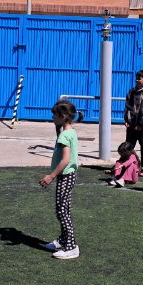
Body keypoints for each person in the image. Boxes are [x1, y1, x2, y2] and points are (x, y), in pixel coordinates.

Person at [40, 100, 82, 259]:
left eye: (54, 115)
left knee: (62, 212)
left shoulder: (64, 135)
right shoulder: (70, 132)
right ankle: (63, 240)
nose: (52, 117)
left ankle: (71, 247)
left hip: (65, 175)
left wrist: (51, 176)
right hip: (69, 175)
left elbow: (65, 160)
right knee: (64, 209)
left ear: (63, 116)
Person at [124, 69, 143, 177]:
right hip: (132, 125)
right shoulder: (131, 92)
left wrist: (141, 124)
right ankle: (127, 165)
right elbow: (127, 107)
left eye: (139, 78)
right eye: (136, 78)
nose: (137, 80)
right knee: (128, 146)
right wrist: (127, 121)